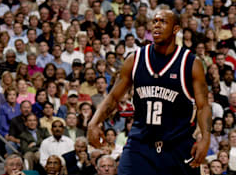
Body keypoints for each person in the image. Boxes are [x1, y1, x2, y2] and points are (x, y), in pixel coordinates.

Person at [88, 10, 209, 175]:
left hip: (177, 146)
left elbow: (203, 106)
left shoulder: (191, 63)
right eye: (155, 21)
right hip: (141, 144)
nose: (157, 25)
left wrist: (205, 138)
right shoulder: (135, 59)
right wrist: (94, 122)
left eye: (163, 21)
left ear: (175, 29)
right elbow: (113, 97)